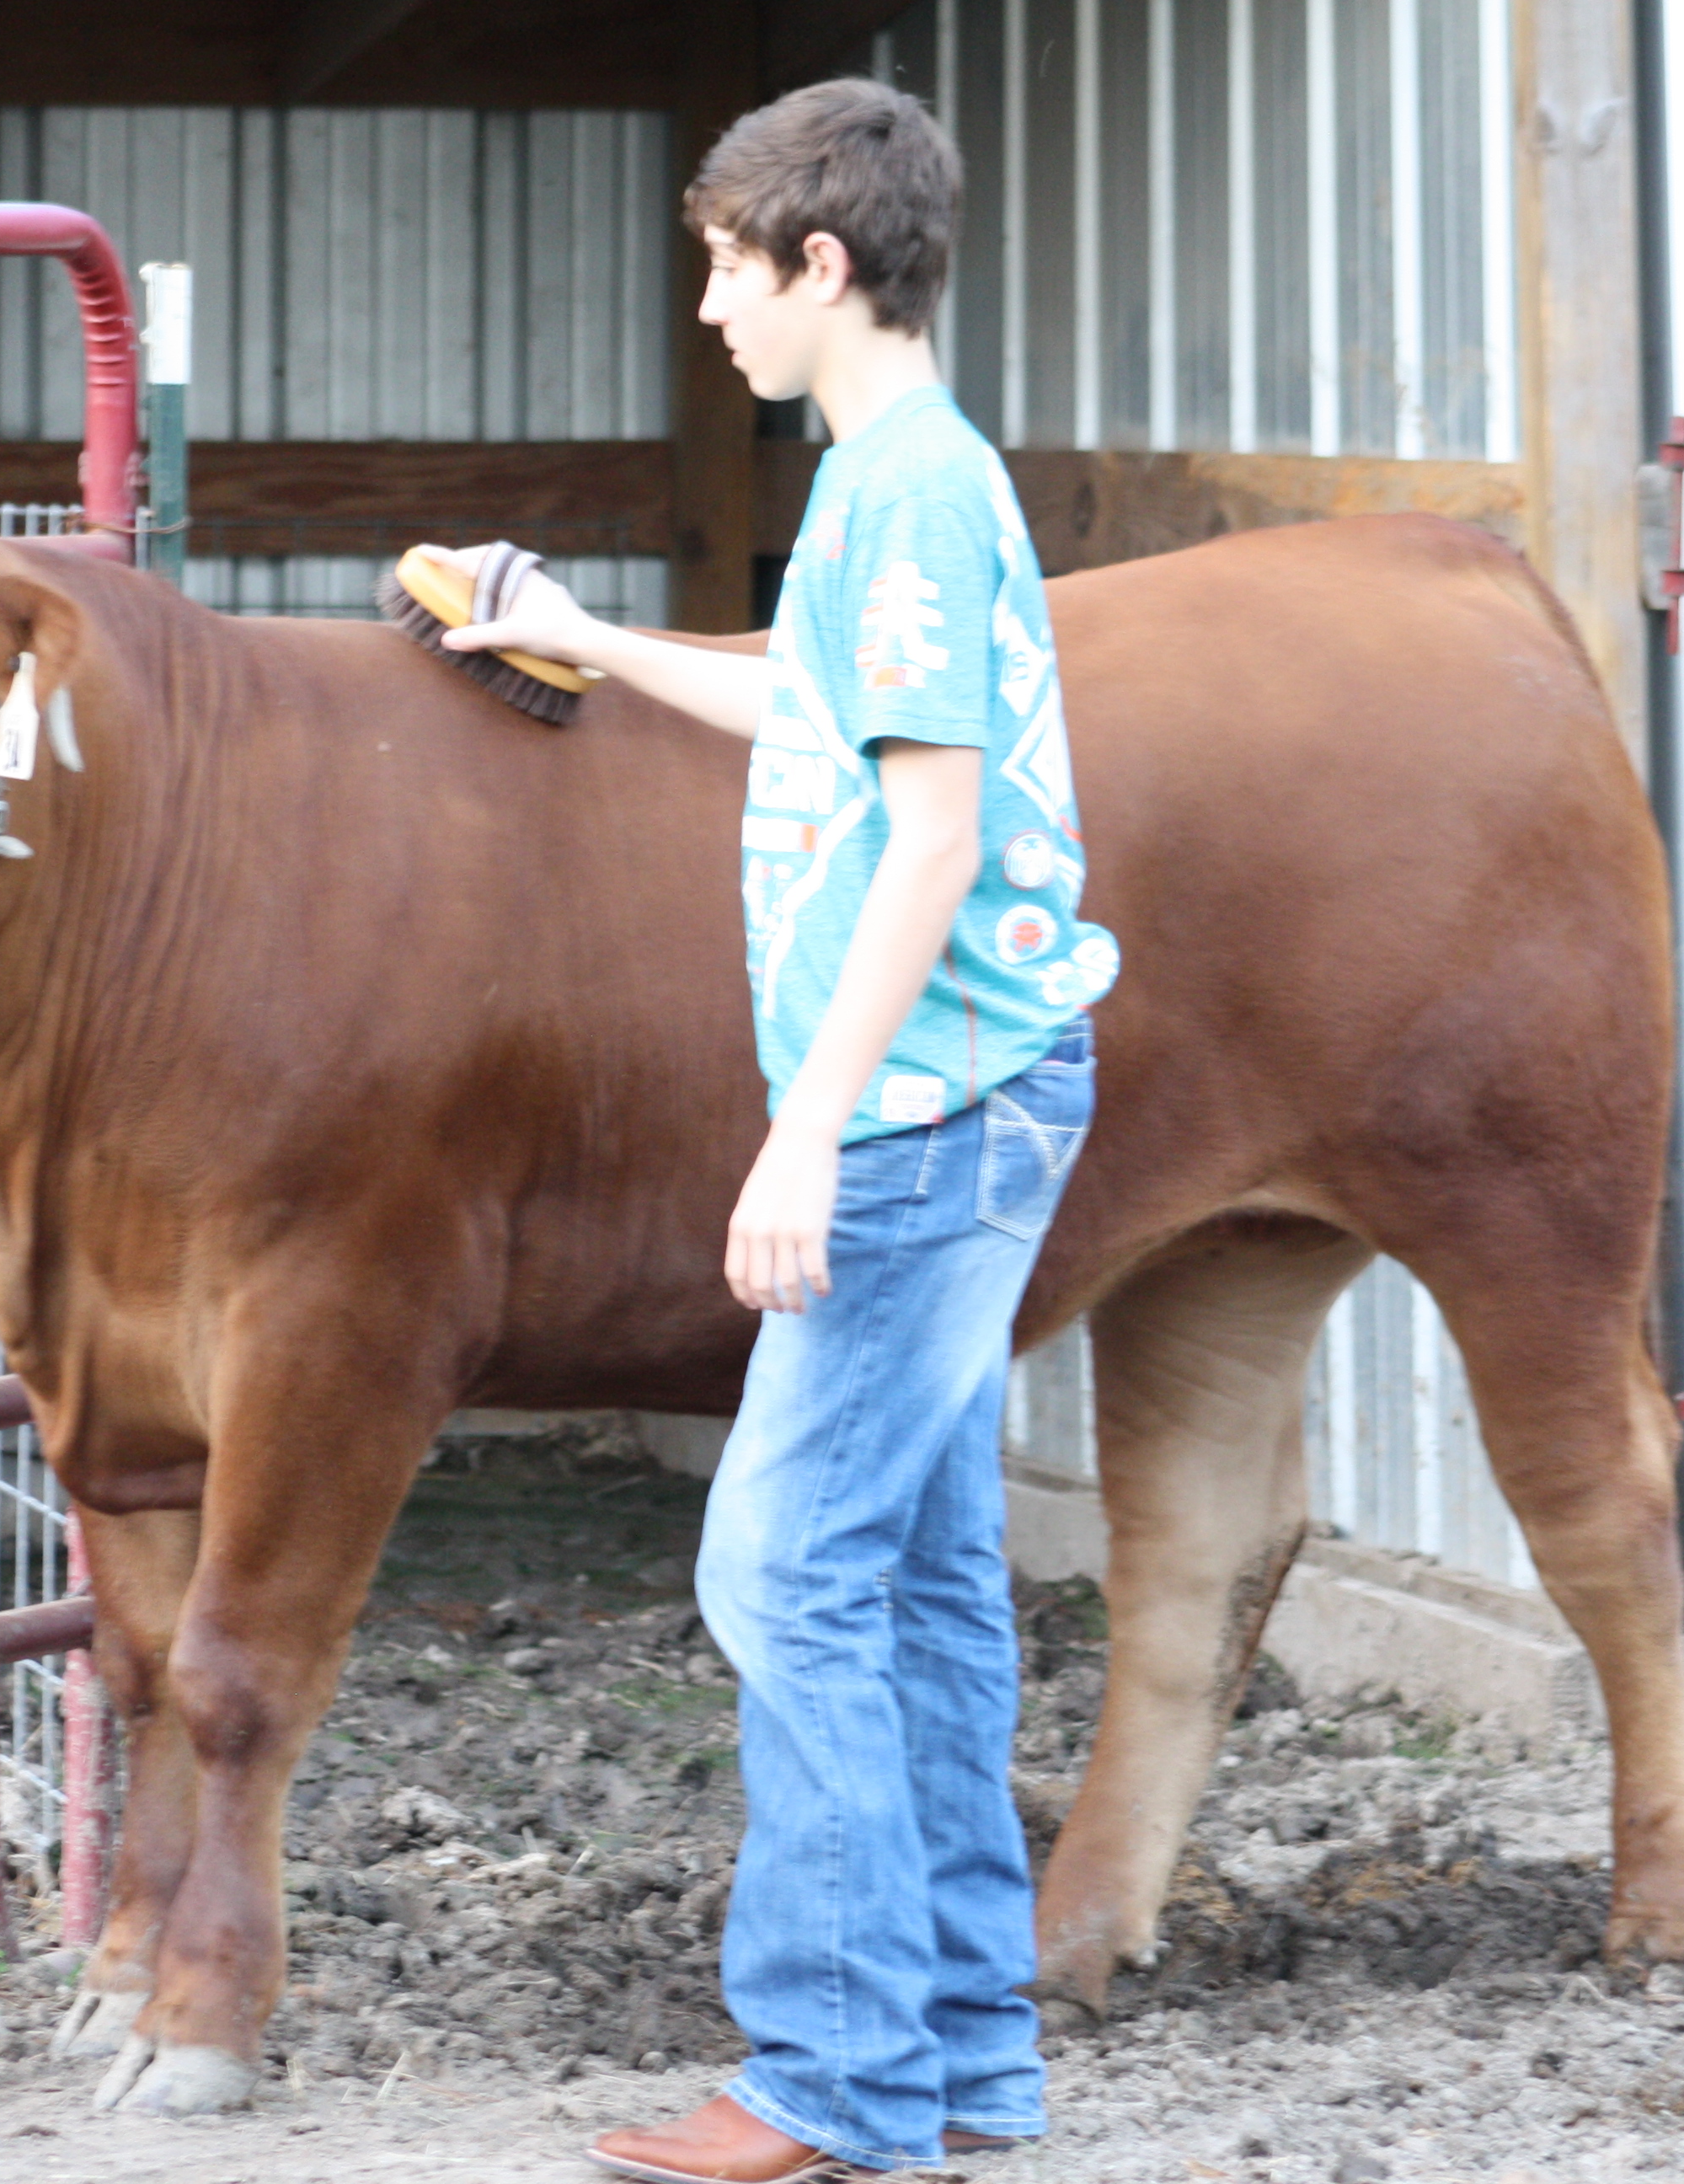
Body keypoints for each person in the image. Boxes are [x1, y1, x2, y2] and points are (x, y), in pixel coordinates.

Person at [431, 74, 1119, 2184]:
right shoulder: (897, 484)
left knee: (783, 1572)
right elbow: (827, 716)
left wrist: (803, 1129)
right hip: (965, 1097)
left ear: (821, 265)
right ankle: (963, 2066)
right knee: (912, 1583)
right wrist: (583, 642)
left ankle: (831, 2083)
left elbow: (930, 828)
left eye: (730, 270)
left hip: (920, 1113)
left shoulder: (907, 492)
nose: (714, 312)